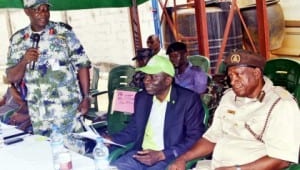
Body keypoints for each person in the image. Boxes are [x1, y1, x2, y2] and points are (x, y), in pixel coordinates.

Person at [169, 49, 300, 170]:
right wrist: (183, 158)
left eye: (238, 74)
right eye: (231, 76)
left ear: (256, 73)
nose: (233, 81)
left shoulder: (281, 104)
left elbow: (282, 160)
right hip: (216, 166)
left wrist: (237, 169)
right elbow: (211, 138)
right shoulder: (229, 97)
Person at [6, 0, 91, 136]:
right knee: (47, 151)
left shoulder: (63, 33)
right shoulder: (18, 40)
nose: (43, 13)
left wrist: (87, 97)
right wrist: (24, 61)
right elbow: (12, 77)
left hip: (67, 108)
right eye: (37, 9)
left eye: (45, 9)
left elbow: (83, 64)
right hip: (39, 113)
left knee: (75, 150)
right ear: (27, 11)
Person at [108, 55, 206, 170]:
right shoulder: (142, 98)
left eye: (153, 77)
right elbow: (133, 130)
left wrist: (162, 154)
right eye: (146, 76)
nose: (146, 80)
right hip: (140, 155)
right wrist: (112, 140)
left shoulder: (188, 100)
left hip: (169, 158)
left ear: (168, 80)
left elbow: (195, 137)